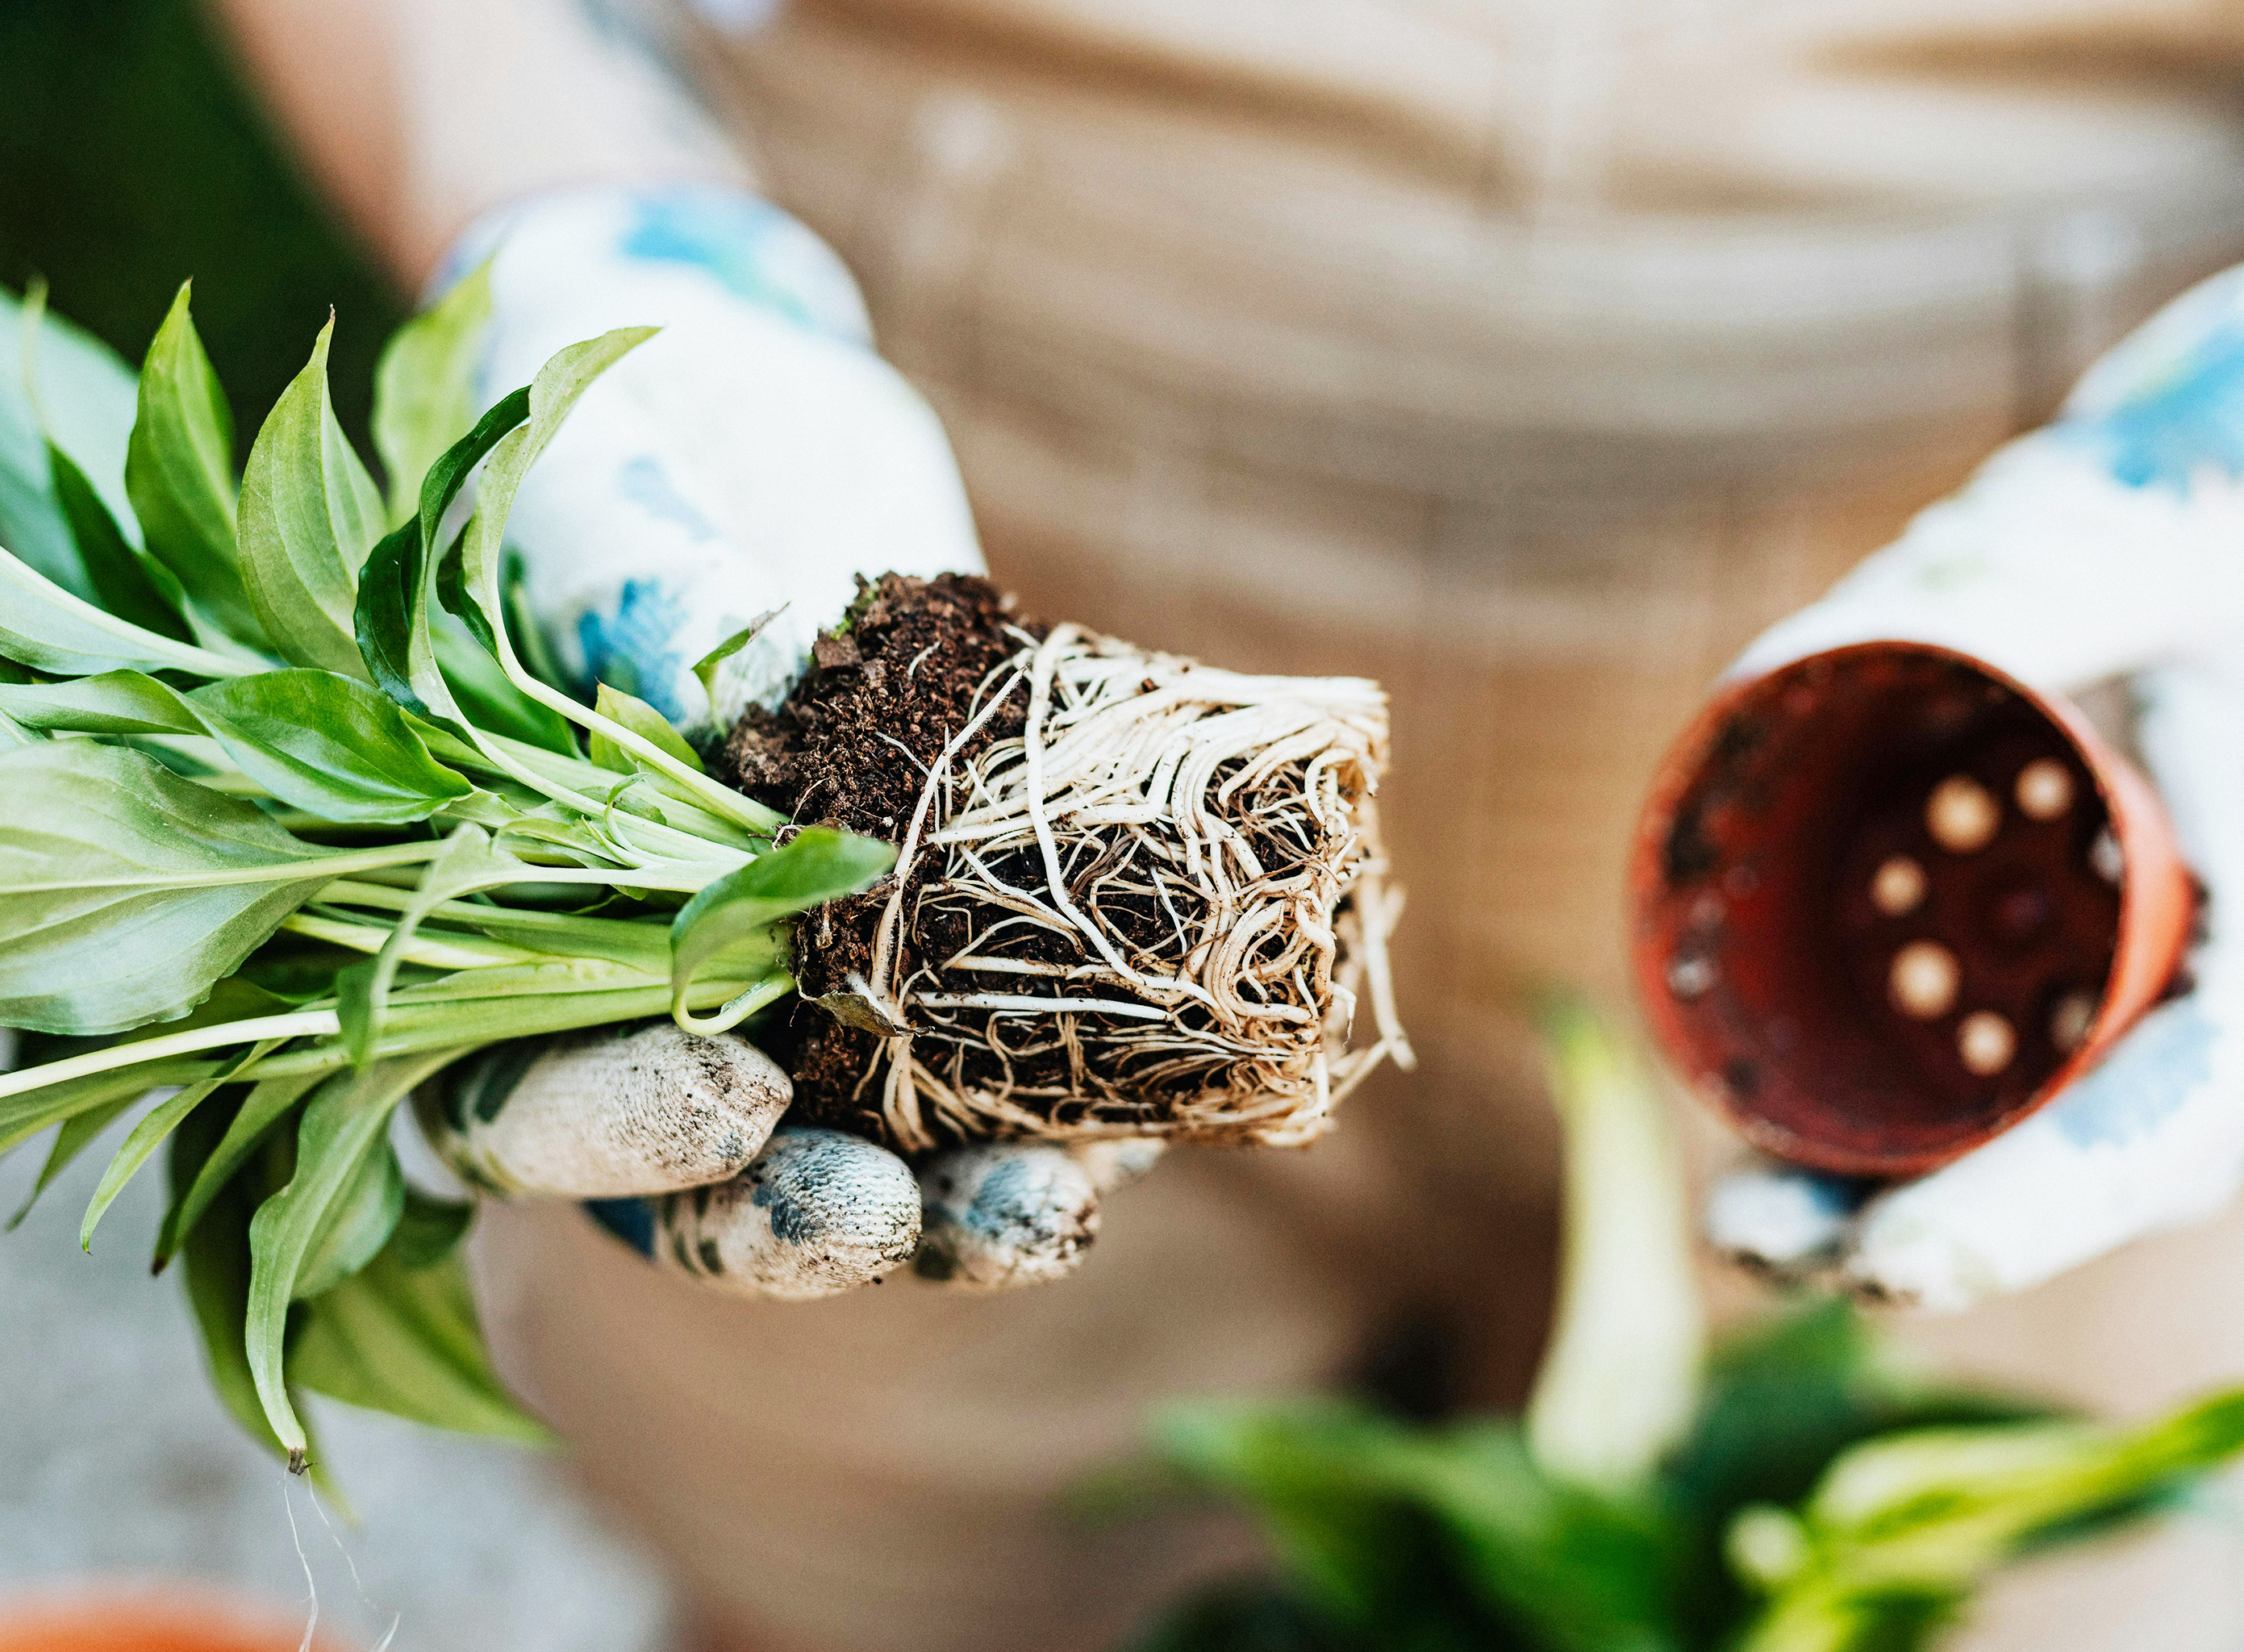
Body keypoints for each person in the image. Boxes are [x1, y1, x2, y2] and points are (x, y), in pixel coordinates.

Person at [213, 2, 2244, 1647]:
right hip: (945, 439)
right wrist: (572, 232)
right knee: (889, 1559)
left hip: (2033, 652)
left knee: (1932, 1569)